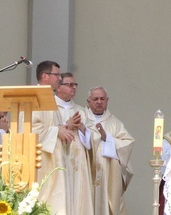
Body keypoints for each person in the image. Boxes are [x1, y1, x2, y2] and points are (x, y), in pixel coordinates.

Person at [32, 60, 86, 214]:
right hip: (41, 163)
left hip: (54, 161)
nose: (59, 79)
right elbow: (30, 129)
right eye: (56, 75)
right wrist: (57, 131)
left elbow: (50, 127)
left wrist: (62, 130)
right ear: (45, 76)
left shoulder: (48, 98)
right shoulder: (33, 97)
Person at [85, 86, 135, 215]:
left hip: (108, 175)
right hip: (87, 173)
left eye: (102, 99)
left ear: (107, 100)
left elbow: (127, 143)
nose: (99, 102)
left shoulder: (115, 123)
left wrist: (107, 138)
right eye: (95, 99)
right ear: (88, 101)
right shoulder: (81, 118)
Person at [53, 72, 94, 215]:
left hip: (77, 160)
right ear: (58, 87)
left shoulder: (81, 110)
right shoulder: (50, 107)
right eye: (69, 84)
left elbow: (90, 142)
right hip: (58, 158)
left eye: (75, 85)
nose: (73, 88)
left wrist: (82, 128)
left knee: (78, 194)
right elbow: (44, 131)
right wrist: (66, 124)